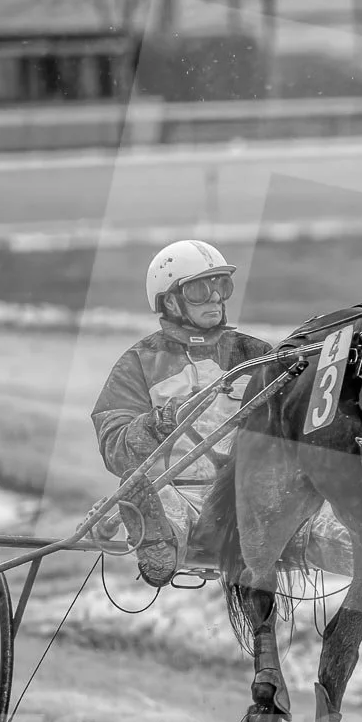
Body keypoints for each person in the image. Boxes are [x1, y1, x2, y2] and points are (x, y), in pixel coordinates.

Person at [89, 239, 273, 587]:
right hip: (176, 491)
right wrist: (155, 424)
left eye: (222, 286)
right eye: (201, 289)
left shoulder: (257, 353)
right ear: (169, 300)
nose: (216, 297)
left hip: (246, 494)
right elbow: (113, 445)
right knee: (155, 494)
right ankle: (159, 544)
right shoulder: (139, 363)